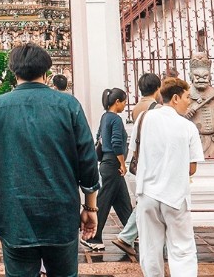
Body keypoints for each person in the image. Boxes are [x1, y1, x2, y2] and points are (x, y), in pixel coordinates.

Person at [0, 43, 100, 277]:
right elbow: (88, 160)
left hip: (13, 216)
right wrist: (90, 207)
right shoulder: (69, 105)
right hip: (60, 214)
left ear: (13, 71)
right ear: (47, 72)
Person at [135, 77, 203, 277]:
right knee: (182, 249)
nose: (189, 102)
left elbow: (135, 155)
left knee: (150, 249)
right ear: (175, 98)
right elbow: (192, 168)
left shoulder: (143, 119)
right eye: (187, 97)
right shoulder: (187, 127)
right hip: (175, 196)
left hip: (147, 194)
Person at [114, 72, 162, 257]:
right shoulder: (156, 108)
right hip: (153, 158)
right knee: (149, 200)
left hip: (141, 157)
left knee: (146, 200)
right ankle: (128, 236)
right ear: (157, 88)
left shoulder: (136, 108)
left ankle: (131, 236)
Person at [85, 87, 132, 251]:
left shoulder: (105, 117)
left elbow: (99, 138)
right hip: (113, 164)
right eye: (124, 101)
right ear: (117, 102)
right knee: (103, 202)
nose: (125, 105)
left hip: (107, 164)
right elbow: (116, 143)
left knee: (123, 202)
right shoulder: (116, 119)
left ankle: (132, 233)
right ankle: (93, 237)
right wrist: (122, 164)